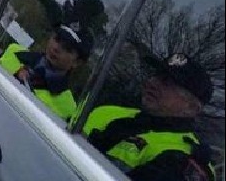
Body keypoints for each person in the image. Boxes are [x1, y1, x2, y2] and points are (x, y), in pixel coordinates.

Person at [84, 53, 215, 181]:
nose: (152, 82)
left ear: (191, 108)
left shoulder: (183, 159)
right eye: (156, 75)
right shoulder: (108, 111)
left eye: (167, 83)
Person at [0, 23, 92, 121]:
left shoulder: (68, 108)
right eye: (57, 39)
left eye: (67, 48)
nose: (56, 48)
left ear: (77, 62)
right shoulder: (14, 51)